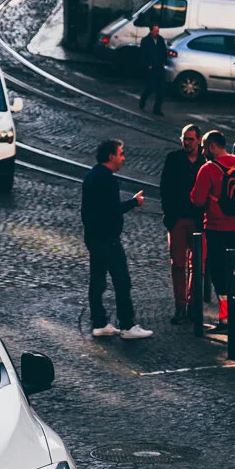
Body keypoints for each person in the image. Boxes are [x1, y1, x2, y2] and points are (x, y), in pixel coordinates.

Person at [81, 138, 152, 340]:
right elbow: (113, 210)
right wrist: (134, 202)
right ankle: (128, 325)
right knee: (122, 282)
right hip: (108, 240)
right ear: (111, 156)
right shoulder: (108, 180)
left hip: (94, 238)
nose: (123, 158)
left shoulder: (92, 175)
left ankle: (99, 323)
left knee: (97, 282)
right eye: (121, 154)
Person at [190, 128, 235, 326]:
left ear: (211, 146)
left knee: (219, 272)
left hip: (217, 229)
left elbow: (197, 200)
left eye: (204, 147)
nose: (202, 152)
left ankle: (226, 315)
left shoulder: (208, 169)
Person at [160, 123, 203, 323]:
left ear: (199, 141)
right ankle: (181, 305)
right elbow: (164, 188)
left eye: (190, 139)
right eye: (184, 139)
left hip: (198, 221)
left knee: (198, 265)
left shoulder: (205, 161)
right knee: (178, 264)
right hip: (177, 219)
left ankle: (193, 304)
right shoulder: (174, 159)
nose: (186, 142)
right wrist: (169, 216)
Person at [137, 23, 171, 115]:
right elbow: (143, 54)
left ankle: (157, 109)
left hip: (159, 67)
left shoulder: (160, 39)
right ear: (151, 31)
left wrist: (163, 62)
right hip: (151, 68)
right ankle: (142, 101)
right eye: (155, 31)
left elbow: (164, 52)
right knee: (149, 88)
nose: (157, 33)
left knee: (160, 90)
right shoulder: (146, 40)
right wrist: (148, 65)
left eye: (158, 31)